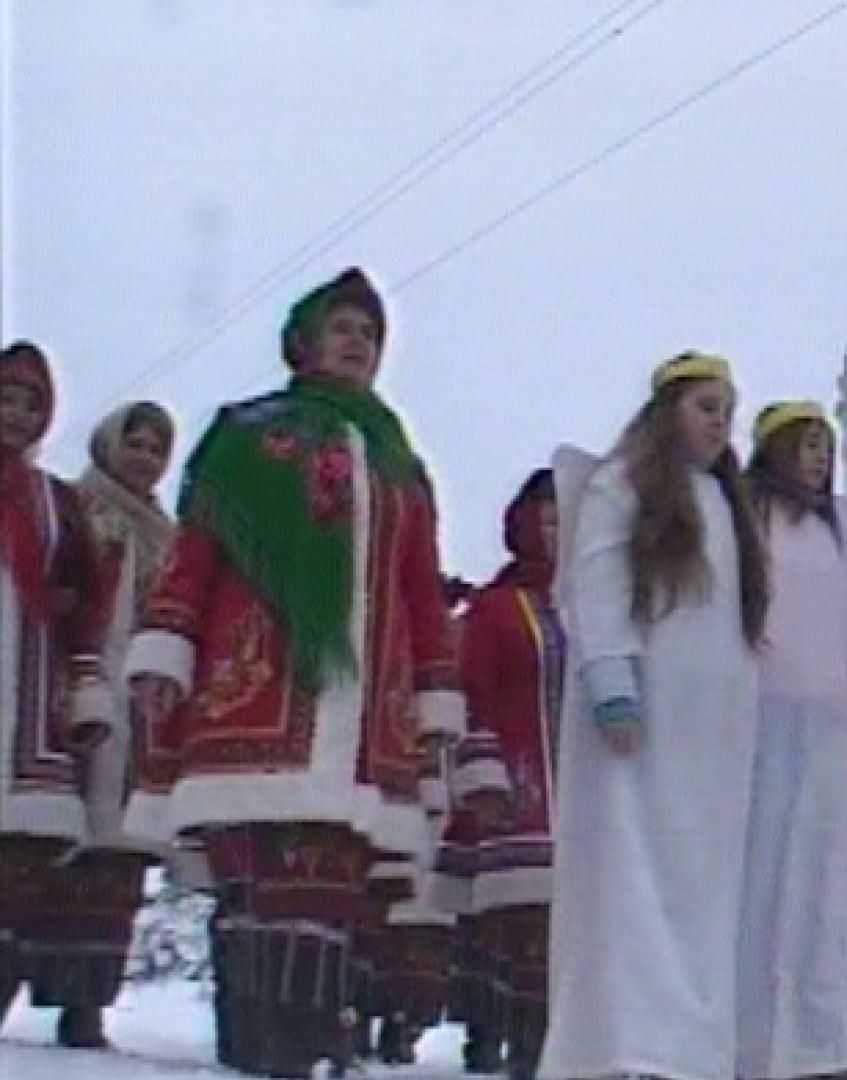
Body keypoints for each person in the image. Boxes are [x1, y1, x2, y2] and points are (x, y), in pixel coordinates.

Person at [124, 269, 487, 1077]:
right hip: (260, 681)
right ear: (304, 341)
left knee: (328, 876)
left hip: (365, 706)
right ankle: (250, 1029)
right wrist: (167, 650)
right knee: (254, 867)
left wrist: (435, 700)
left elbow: (421, 589)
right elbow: (196, 553)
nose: (358, 342)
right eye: (344, 327)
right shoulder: (250, 435)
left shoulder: (399, 461)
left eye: (371, 332)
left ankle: (303, 1036)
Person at [540, 352, 768, 1080]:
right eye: (707, 407)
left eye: (727, 412)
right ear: (668, 409)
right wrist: (612, 679)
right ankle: (623, 1044)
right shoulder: (624, 485)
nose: (719, 424)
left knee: (702, 890)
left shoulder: (727, 504)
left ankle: (689, 1049)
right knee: (631, 882)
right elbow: (597, 582)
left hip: (711, 735)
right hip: (641, 725)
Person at [736, 399, 847, 1078]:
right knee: (764, 875)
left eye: (827, 447)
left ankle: (827, 1038)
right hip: (762, 720)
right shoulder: (749, 517)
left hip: (825, 726)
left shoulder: (838, 531)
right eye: (806, 445)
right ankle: (753, 1036)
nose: (819, 459)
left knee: (826, 882)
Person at [25, 402, 177, 1049]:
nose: (143, 457)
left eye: (154, 448)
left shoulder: (167, 535)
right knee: (49, 848)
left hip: (138, 710)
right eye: (133, 443)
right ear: (106, 446)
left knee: (116, 860)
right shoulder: (76, 509)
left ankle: (86, 1005)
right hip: (74, 688)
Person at [0, 342, 112, 1030]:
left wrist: (86, 688)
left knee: (20, 861)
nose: (16, 413)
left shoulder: (59, 504)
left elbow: (86, 604)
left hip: (31, 701)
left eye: (31, 403)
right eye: (5, 398)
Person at [438, 470, 560, 1080]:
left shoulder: (602, 607)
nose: (561, 534)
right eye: (550, 519)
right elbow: (472, 690)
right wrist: (481, 769)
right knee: (527, 925)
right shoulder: (497, 606)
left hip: (586, 797)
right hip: (518, 786)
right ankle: (519, 1043)